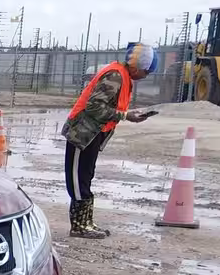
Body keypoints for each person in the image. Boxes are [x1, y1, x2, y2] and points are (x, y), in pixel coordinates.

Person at [61, 42, 157, 238]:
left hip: (93, 134)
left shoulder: (122, 76)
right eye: (146, 72)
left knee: (86, 177)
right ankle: (79, 226)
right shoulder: (115, 75)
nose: (145, 76)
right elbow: (94, 107)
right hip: (82, 134)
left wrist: (126, 114)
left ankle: (86, 222)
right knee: (79, 180)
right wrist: (125, 116)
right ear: (137, 66)